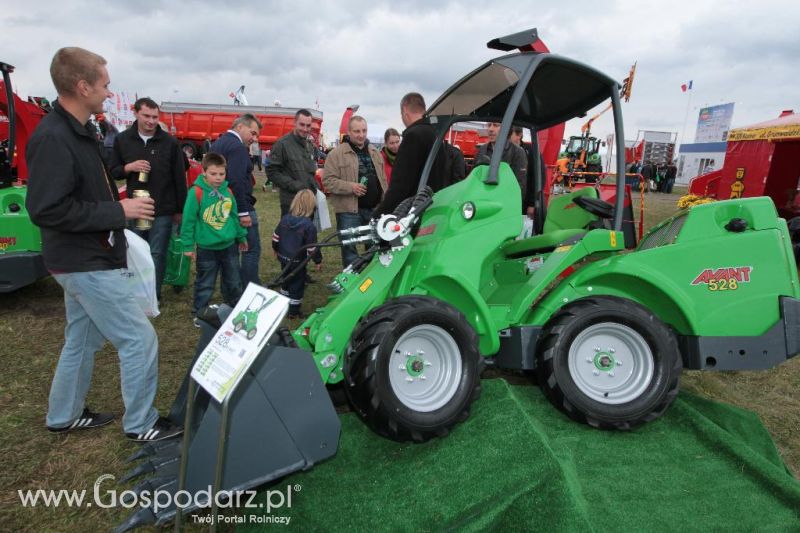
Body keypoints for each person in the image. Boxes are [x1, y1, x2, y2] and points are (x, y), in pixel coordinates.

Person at [26, 46, 181, 443]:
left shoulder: (79, 131)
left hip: (84, 258)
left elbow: (81, 192)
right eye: (105, 85)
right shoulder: (54, 137)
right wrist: (119, 211)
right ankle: (142, 423)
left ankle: (64, 415)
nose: (110, 93)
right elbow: (46, 209)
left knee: (82, 338)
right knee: (139, 338)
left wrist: (117, 202)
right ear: (83, 86)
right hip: (84, 261)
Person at [109, 97, 187, 299]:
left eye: (155, 117)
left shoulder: (170, 142)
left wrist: (180, 210)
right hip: (135, 208)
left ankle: (153, 296)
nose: (151, 121)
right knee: (136, 253)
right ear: (135, 113)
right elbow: (113, 171)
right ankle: (137, 293)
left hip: (162, 209)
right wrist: (129, 167)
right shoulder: (122, 139)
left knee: (157, 253)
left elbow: (180, 177)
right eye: (146, 116)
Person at [180, 152, 248, 320]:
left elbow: (234, 216)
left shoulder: (228, 192)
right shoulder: (196, 192)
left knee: (234, 281)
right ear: (204, 172)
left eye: (221, 174)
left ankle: (233, 312)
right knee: (205, 283)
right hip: (206, 248)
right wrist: (188, 245)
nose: (218, 178)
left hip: (229, 246)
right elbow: (188, 221)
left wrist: (241, 236)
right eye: (213, 174)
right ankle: (200, 314)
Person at [323, 115, 387, 268]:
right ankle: (352, 277)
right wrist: (351, 187)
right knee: (349, 249)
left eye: (364, 130)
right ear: (349, 132)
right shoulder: (336, 154)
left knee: (374, 247)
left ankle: (371, 277)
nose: (361, 135)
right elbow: (328, 181)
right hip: (348, 212)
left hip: (374, 209)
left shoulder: (375, 152)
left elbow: (383, 179)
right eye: (357, 131)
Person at [209, 113, 262, 287]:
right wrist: (243, 212)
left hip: (222, 205)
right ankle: (250, 287)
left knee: (230, 253)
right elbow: (236, 181)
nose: (254, 139)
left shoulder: (218, 143)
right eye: (253, 133)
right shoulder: (237, 147)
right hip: (240, 206)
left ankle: (233, 289)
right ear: (240, 127)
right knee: (251, 249)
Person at [375, 92, 448, 215]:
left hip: (412, 211)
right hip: (434, 207)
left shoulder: (413, 136)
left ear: (404, 110)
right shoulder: (436, 134)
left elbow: (400, 185)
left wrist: (379, 214)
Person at [272, 190, 323, 319]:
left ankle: (283, 303)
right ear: (312, 206)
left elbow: (276, 237)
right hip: (298, 261)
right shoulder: (309, 226)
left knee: (285, 279)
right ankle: (293, 311)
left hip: (283, 258)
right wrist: (318, 260)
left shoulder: (284, 219)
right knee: (297, 285)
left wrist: (275, 249)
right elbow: (312, 247)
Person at [267, 109, 319, 217]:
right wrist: (296, 186)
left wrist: (315, 185)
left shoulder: (309, 145)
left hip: (309, 201)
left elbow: (309, 172)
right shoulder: (282, 144)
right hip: (291, 203)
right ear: (294, 123)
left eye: (308, 126)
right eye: (302, 125)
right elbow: (272, 172)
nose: (305, 129)